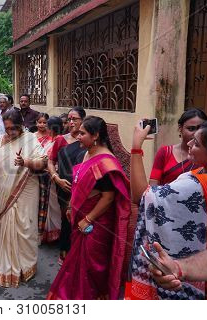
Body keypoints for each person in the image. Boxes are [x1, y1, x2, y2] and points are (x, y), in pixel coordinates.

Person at [127, 118, 207, 300]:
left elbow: (142, 196)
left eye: (197, 143)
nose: (190, 143)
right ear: (180, 128)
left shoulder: (197, 185)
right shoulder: (170, 155)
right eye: (190, 130)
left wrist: (136, 147)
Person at [47, 116, 131, 300]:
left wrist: (88, 219)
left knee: (92, 266)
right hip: (80, 216)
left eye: (82, 133)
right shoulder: (85, 152)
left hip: (96, 223)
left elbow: (108, 197)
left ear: (95, 136)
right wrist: (71, 205)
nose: (77, 137)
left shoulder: (106, 162)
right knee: (76, 264)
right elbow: (78, 184)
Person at [0, 108, 46, 287]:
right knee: (7, 224)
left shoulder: (30, 139)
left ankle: (25, 266)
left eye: (14, 128)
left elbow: (43, 162)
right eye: (8, 128)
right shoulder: (1, 140)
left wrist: (25, 162)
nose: (11, 133)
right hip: (3, 191)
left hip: (26, 189)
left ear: (22, 125)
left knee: (25, 226)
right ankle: (8, 267)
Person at [47, 106, 86, 264]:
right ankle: (65, 252)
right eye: (69, 119)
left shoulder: (87, 141)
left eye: (74, 119)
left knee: (82, 221)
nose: (70, 122)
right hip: (64, 186)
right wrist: (56, 178)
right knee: (67, 219)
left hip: (83, 188)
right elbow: (51, 161)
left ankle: (79, 254)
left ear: (83, 120)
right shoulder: (60, 140)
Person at [150, 109, 207, 185]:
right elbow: (153, 185)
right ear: (180, 128)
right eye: (191, 129)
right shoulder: (165, 152)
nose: (196, 133)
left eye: (200, 129)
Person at [36, 115, 63, 243]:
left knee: (53, 206)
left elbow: (55, 161)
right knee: (49, 206)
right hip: (47, 177)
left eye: (46, 125)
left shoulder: (58, 140)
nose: (44, 127)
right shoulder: (51, 140)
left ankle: (55, 234)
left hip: (53, 178)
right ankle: (50, 233)